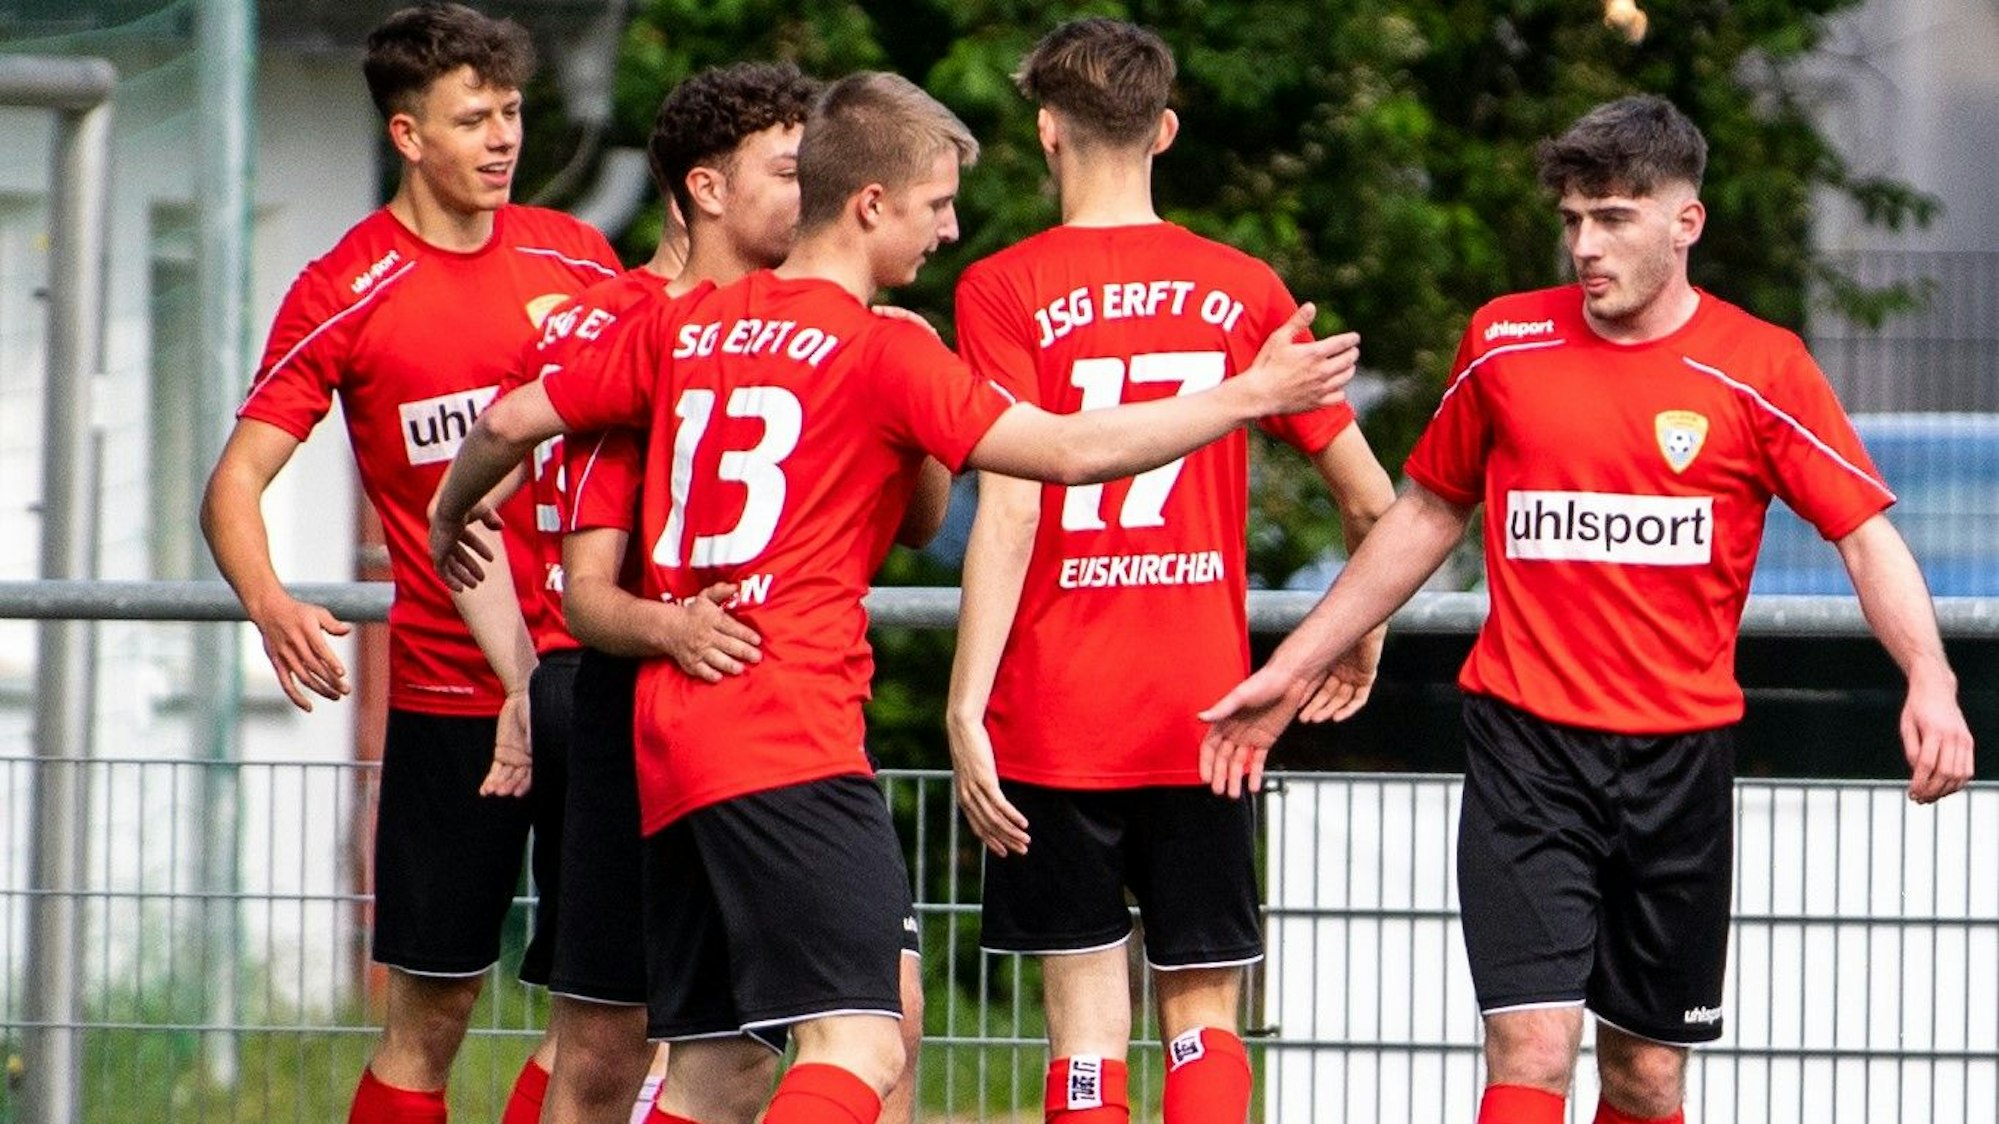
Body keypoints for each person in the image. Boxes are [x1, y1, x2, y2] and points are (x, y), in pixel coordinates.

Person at [427, 70, 1361, 1124]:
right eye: (935, 206)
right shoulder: (882, 353)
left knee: (715, 1070)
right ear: (870, 204)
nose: (951, 229)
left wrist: (448, 512)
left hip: (666, 737)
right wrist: (1250, 393)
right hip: (788, 730)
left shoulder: (685, 328)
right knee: (864, 1041)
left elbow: (509, 425)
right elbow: (1062, 450)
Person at [1198, 94, 1976, 1124]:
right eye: (1572, 219)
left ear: (1683, 222)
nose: (1584, 245)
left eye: (1611, 217)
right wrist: (1294, 664)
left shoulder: (1759, 364)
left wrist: (1929, 676)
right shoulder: (1504, 339)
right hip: (1527, 749)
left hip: (1677, 761)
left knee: (1646, 1075)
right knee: (1531, 1039)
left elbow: (1863, 529)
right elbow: (1428, 507)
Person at [943, 19, 1397, 1124]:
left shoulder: (1000, 289)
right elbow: (1375, 500)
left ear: (1046, 130)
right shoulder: (1240, 287)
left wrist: (965, 702)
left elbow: (1008, 500)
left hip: (1054, 706)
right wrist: (1351, 637)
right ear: (1167, 129)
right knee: (1201, 1014)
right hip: (1205, 706)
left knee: (1086, 1032)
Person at [197, 6, 622, 1121]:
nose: (501, 139)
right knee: (432, 1017)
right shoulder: (346, 288)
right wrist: (271, 600)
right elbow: (233, 483)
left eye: (513, 113)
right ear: (407, 132)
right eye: (471, 117)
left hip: (586, 681)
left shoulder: (575, 254)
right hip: (452, 705)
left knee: (611, 1017)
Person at [483, 62, 924, 1124]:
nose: (805, 187)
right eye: (785, 167)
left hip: (777, 704)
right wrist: (667, 626)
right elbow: (571, 573)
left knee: (876, 1016)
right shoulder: (626, 327)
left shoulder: (835, 328)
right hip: (631, 701)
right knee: (602, 1042)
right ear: (707, 188)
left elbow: (905, 522)